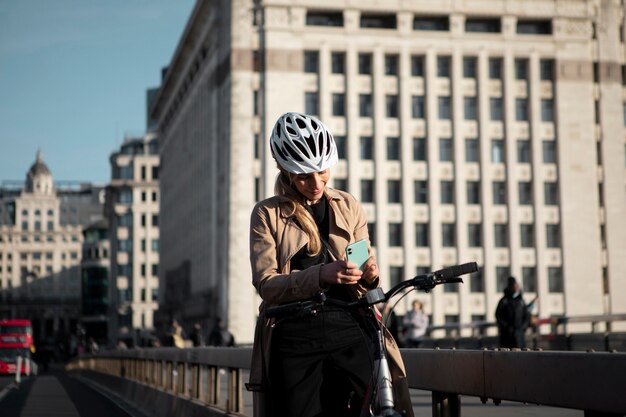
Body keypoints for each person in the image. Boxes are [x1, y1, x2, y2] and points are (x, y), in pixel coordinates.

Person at [247, 112, 413, 417]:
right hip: (294, 334)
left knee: (381, 405)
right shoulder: (266, 214)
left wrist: (370, 275)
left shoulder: (348, 205)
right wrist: (320, 275)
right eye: (304, 175)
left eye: (322, 171)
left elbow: (363, 266)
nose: (316, 182)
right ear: (286, 171)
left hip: (349, 325)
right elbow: (266, 284)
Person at [495, 276, 530, 348]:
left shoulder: (521, 301)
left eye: (516, 286)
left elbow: (526, 316)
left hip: (519, 335)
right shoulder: (504, 301)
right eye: (513, 286)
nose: (515, 288)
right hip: (507, 336)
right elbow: (498, 316)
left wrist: (522, 328)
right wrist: (507, 327)